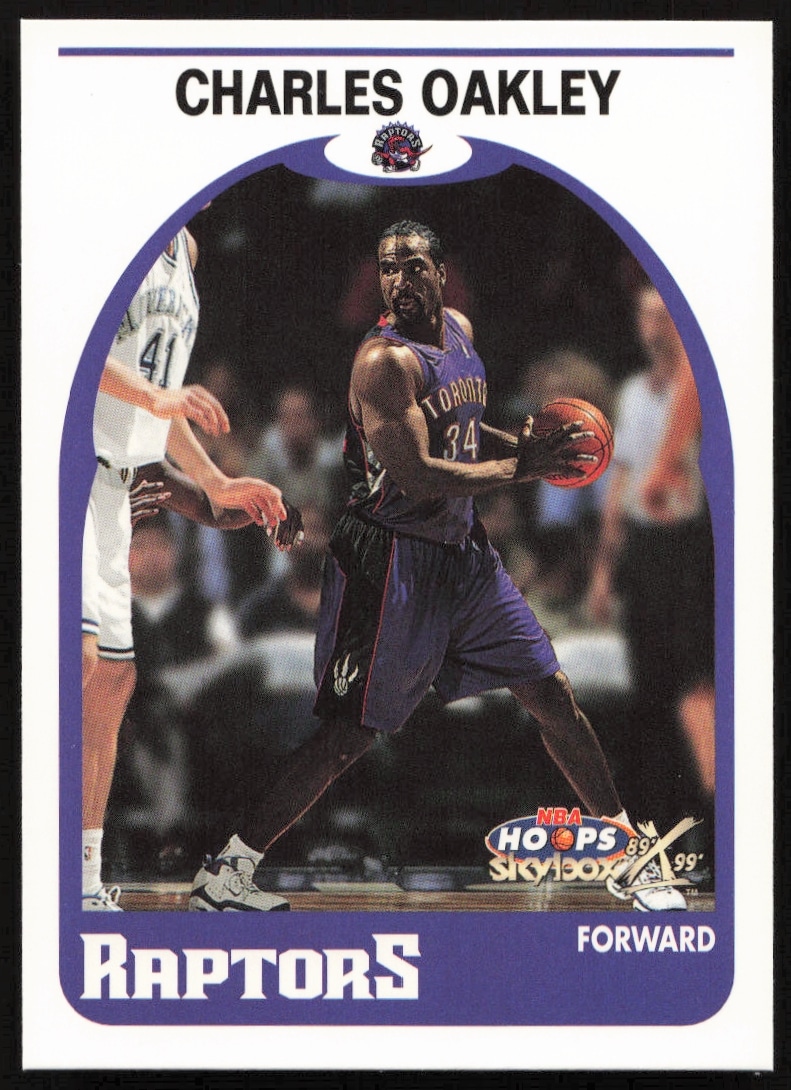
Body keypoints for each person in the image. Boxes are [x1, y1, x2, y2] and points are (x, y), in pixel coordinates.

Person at [190, 221, 687, 913]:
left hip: (463, 557)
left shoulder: (459, 332)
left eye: (413, 266)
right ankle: (227, 872)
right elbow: (419, 474)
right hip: (388, 561)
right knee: (349, 736)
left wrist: (528, 449)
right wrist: (525, 467)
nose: (399, 280)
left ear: (441, 273)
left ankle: (628, 855)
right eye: (387, 268)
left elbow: (464, 432)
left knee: (550, 694)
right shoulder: (381, 363)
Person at [81, 222, 294, 910]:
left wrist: (215, 481)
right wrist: (154, 398)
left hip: (120, 483)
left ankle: (83, 879)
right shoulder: (111, 229)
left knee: (112, 680)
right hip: (70, 465)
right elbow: (71, 350)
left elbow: (161, 391)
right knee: (78, 664)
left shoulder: (188, 250)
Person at [587, 284, 714, 827]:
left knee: (694, 681)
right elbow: (621, 484)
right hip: (644, 549)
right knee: (650, 687)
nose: (653, 326)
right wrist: (603, 570)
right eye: (645, 316)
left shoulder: (701, 386)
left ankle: (710, 811)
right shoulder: (633, 393)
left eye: (663, 315)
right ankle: (658, 821)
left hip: (691, 546)